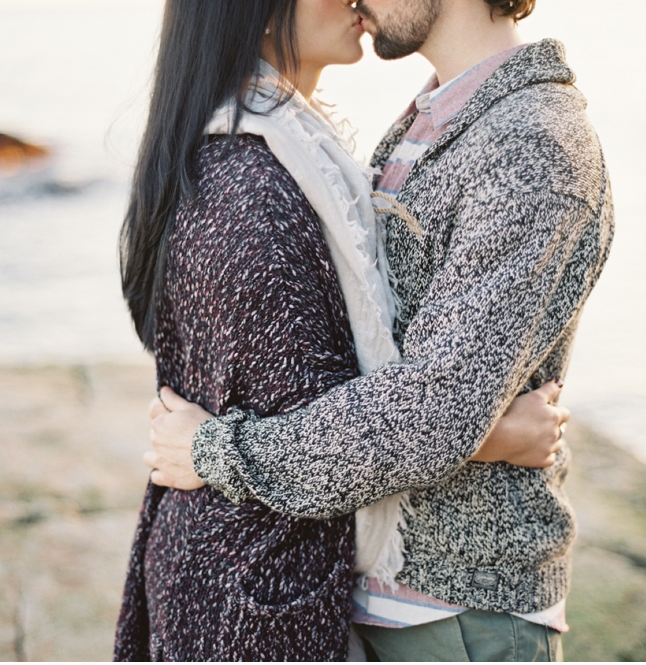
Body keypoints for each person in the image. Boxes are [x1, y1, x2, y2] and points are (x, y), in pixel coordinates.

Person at [143, 0, 615, 660]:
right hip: (378, 597)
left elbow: (429, 411)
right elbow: (377, 373)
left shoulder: (534, 144)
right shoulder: (435, 117)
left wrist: (215, 451)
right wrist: (487, 435)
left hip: (460, 615)